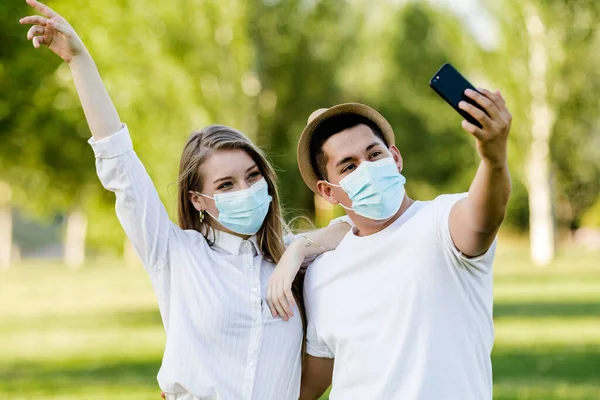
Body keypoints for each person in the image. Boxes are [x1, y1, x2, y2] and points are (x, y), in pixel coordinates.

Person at [19, 1, 349, 399]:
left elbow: (348, 228)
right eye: (225, 185)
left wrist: (296, 251)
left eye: (252, 176)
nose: (244, 190)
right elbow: (120, 165)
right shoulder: (175, 254)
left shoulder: (287, 259)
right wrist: (79, 61)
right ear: (199, 200)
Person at [272, 97, 512, 399]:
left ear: (395, 158)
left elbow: (484, 218)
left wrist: (493, 159)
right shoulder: (321, 273)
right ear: (327, 191)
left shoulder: (441, 223)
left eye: (374, 154)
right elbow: (311, 381)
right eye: (349, 166)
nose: (368, 168)